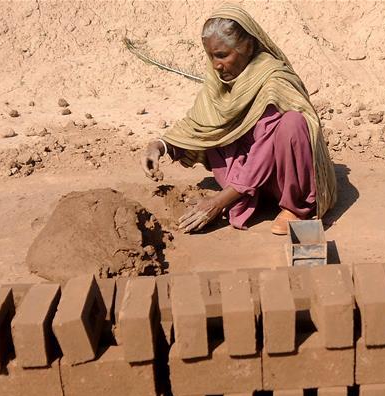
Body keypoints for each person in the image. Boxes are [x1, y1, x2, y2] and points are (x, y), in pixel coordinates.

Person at [140, 4, 337, 235]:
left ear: (248, 46)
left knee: (292, 123)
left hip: (280, 179)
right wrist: (159, 146)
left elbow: (263, 153)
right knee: (217, 120)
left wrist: (218, 202)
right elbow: (199, 124)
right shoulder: (220, 81)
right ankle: (244, 196)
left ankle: (296, 208)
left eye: (222, 55)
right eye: (211, 56)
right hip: (244, 178)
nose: (216, 65)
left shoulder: (273, 79)